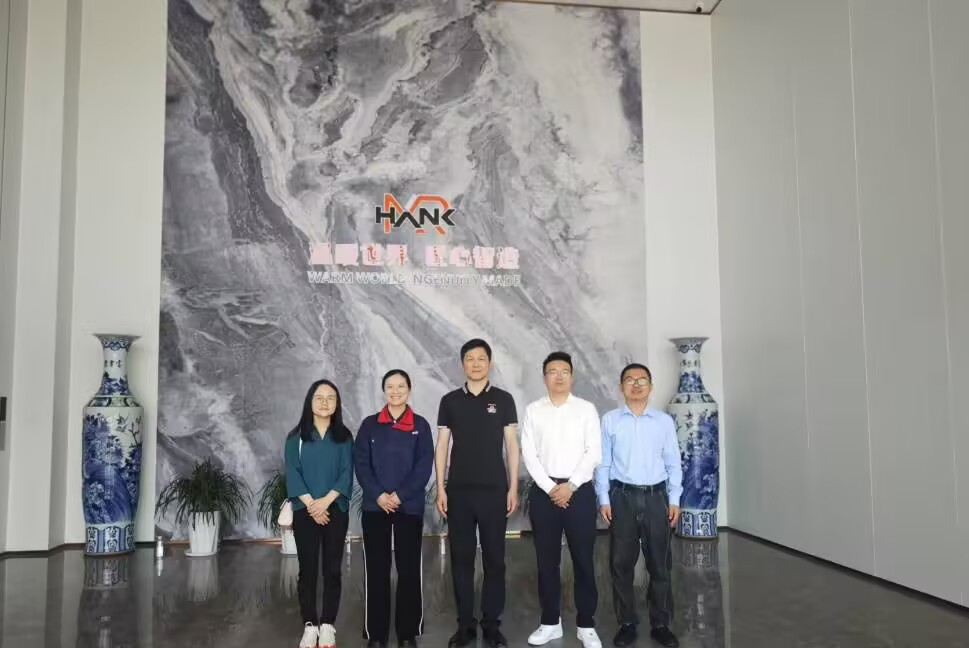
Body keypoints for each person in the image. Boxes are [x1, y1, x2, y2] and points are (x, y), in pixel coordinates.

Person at [435, 339, 520, 648]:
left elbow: (512, 445)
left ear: (489, 363)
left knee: (495, 559)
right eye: (469, 358)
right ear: (462, 364)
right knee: (462, 560)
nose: (475, 363)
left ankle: (491, 624)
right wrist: (441, 487)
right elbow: (442, 446)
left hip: (494, 491)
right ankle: (465, 625)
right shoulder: (449, 401)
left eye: (481, 358)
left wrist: (513, 486)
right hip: (458, 493)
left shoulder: (503, 399)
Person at [595, 364, 682, 648]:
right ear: (621, 387)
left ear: (650, 386)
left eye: (642, 380)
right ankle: (627, 623)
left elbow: (673, 462)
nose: (636, 384)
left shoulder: (663, 422)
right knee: (621, 564)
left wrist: (674, 499)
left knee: (660, 564)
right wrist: (604, 498)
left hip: (657, 497)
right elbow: (603, 463)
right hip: (622, 497)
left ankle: (661, 623)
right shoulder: (610, 420)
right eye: (630, 380)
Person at [520, 352, 603, 648]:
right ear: (544, 377)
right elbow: (529, 453)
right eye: (552, 371)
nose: (558, 376)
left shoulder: (586, 409)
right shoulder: (533, 410)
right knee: (546, 561)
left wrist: (571, 485)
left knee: (583, 560)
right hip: (545, 494)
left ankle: (586, 625)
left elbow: (593, 451)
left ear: (572, 376)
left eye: (564, 371)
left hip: (579, 492)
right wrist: (550, 488)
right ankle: (550, 622)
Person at [354, 369, 434, 648]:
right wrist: (378, 495)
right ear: (384, 390)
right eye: (390, 386)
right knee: (376, 570)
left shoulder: (420, 425)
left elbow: (424, 466)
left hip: (408, 507)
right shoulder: (370, 425)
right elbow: (361, 464)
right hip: (375, 507)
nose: (396, 391)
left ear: (409, 390)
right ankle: (376, 634)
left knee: (409, 570)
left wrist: (399, 496)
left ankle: (407, 633)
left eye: (401, 386)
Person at [285, 379, 355, 648]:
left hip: (335, 509)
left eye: (331, 398)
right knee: (308, 570)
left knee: (332, 569)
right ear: (310, 402)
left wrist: (325, 502)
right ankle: (310, 625)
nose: (325, 402)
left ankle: (327, 624)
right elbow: (293, 472)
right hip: (305, 511)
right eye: (319, 397)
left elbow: (347, 472)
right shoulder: (296, 438)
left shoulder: (344, 437)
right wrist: (312, 505)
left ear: (337, 404)